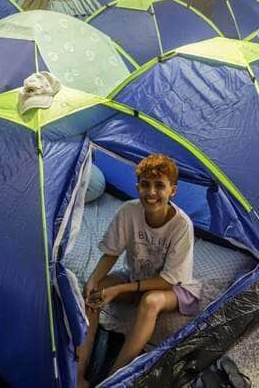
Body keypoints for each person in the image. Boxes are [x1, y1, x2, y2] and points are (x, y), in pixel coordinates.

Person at [76, 154, 201, 387]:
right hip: (135, 277)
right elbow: (111, 252)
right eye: (145, 184)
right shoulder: (128, 211)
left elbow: (169, 280)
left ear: (172, 191)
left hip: (173, 288)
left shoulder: (182, 225)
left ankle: (115, 378)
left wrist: (122, 288)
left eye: (159, 186)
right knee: (95, 293)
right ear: (137, 187)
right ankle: (78, 373)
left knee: (151, 302)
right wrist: (93, 280)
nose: (151, 192)